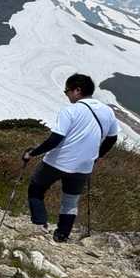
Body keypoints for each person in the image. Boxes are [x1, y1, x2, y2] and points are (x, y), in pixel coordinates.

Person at [21, 73, 119, 242]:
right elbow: (112, 138)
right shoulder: (107, 112)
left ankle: (39, 224)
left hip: (57, 162)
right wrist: (96, 157)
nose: (66, 95)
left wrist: (32, 153)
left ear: (77, 90)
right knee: (70, 201)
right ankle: (62, 235)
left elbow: (55, 139)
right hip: (84, 166)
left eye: (67, 91)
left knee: (36, 189)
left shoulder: (70, 111)